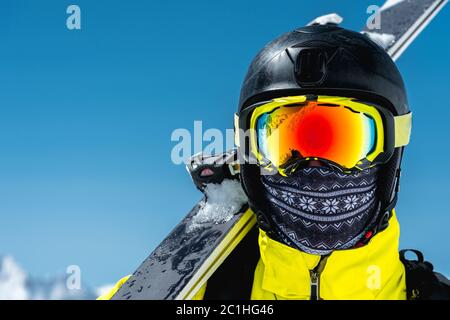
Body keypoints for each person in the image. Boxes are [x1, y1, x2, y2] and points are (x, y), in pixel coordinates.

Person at [99, 24, 449, 300]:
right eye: (285, 144)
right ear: (251, 158)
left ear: (391, 152)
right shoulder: (195, 294)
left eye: (341, 140)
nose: (313, 166)